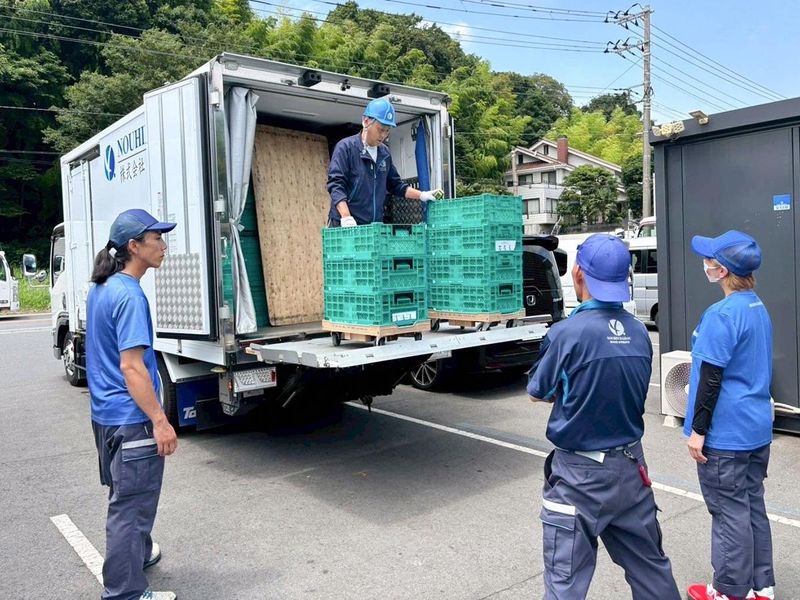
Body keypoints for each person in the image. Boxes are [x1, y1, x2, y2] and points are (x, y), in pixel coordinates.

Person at [527, 233, 681, 600]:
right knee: (651, 570)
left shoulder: (566, 334)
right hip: (631, 468)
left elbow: (537, 391)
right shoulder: (639, 332)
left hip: (579, 475)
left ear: (578, 273)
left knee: (565, 582)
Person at [87, 208, 179, 600]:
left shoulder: (101, 287)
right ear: (134, 246)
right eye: (156, 238)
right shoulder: (129, 295)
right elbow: (132, 367)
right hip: (131, 418)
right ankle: (125, 593)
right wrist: (160, 420)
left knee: (127, 495)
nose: (163, 245)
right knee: (131, 505)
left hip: (105, 416)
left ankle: (138, 554)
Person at [685, 231, 775, 600]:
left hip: (726, 434)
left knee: (727, 512)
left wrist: (697, 431)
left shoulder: (721, 315)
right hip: (756, 429)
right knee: (752, 505)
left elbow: (710, 378)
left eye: (709, 259)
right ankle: (761, 586)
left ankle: (729, 591)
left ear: (721, 270)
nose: (704, 264)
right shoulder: (757, 306)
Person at [326, 97, 442, 227]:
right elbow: (336, 185)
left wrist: (422, 195)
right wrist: (346, 217)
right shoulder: (346, 148)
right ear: (366, 122)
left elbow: (396, 185)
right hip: (344, 224)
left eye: (387, 131)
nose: (383, 135)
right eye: (380, 129)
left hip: (374, 226)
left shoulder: (384, 153)